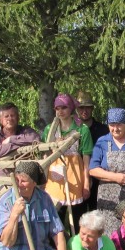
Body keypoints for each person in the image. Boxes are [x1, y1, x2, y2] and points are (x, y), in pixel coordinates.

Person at [43, 93, 93, 233]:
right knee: (55, 216)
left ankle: (76, 248)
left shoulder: (82, 129)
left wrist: (86, 183)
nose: (60, 111)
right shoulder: (50, 129)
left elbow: (86, 157)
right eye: (57, 108)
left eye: (64, 107)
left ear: (70, 108)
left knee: (77, 218)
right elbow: (45, 155)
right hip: (54, 176)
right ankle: (57, 249)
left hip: (75, 175)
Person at [76, 90, 108, 211]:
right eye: (81, 107)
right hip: (79, 176)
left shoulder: (103, 130)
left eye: (88, 107)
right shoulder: (73, 130)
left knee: (98, 212)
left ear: (92, 108)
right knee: (79, 214)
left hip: (99, 177)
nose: (84, 111)